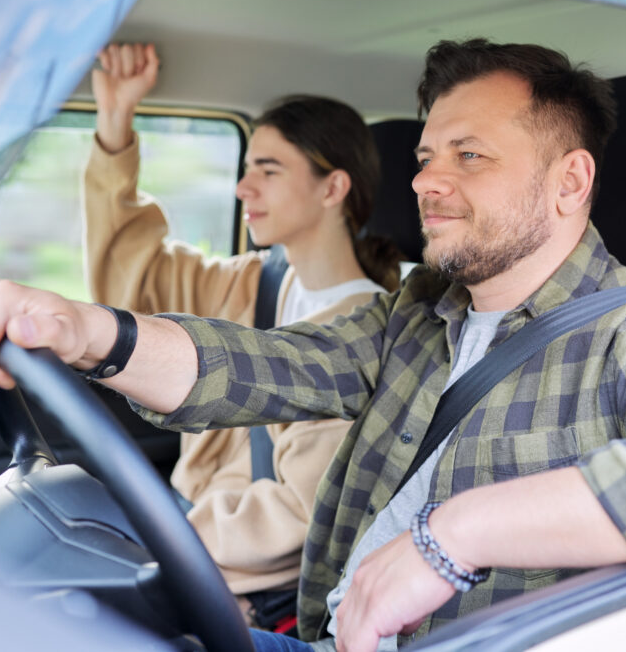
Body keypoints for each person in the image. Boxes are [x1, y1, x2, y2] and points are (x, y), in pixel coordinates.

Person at [0, 38, 626, 652]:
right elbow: (258, 366)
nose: (427, 180)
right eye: (426, 156)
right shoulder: (419, 311)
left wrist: (453, 536)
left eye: (471, 155)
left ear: (570, 181)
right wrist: (82, 330)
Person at [84, 42, 402, 630]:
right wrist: (114, 123)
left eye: (268, 170)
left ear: (333, 189)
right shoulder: (250, 281)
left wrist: (167, 545)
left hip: (226, 568)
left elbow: (303, 513)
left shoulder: (364, 336)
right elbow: (130, 277)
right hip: (184, 531)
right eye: (245, 166)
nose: (242, 188)